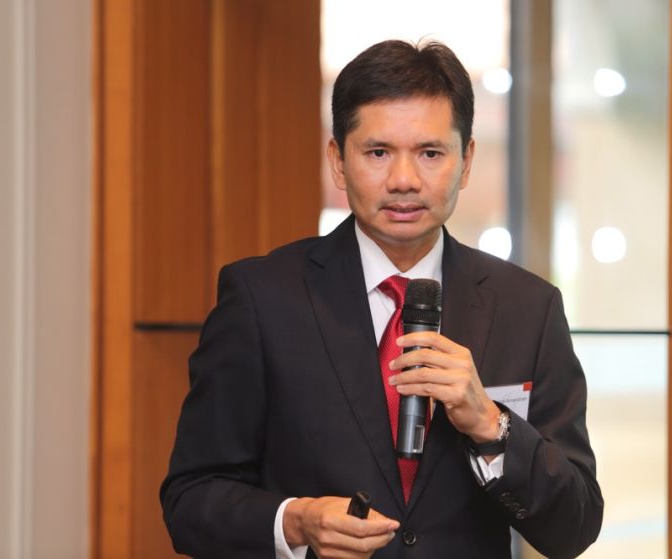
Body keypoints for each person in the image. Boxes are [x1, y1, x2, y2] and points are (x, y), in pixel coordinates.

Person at [161, 39, 602, 559]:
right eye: (378, 153)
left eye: (430, 153)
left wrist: (491, 424)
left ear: (466, 161)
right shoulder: (262, 298)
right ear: (338, 161)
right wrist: (297, 521)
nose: (403, 181)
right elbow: (190, 501)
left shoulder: (527, 308)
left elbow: (574, 526)